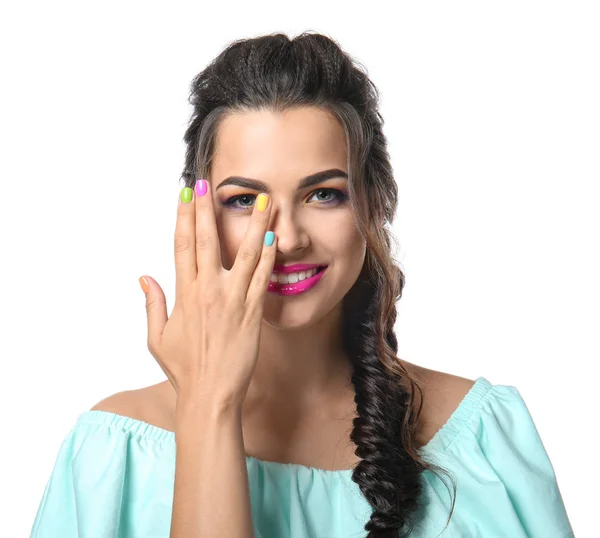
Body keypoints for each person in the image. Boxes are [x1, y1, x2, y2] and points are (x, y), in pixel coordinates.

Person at [29, 31, 574, 538]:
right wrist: (208, 404)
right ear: (198, 218)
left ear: (374, 203)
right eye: (244, 200)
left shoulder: (483, 439)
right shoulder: (108, 454)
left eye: (323, 194)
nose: (286, 239)